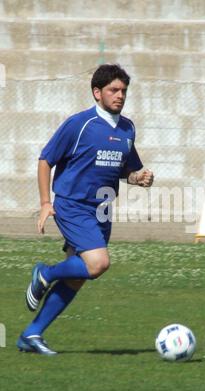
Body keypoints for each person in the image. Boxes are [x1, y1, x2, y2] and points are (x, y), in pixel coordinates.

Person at [17, 64, 154, 355]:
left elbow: (126, 168)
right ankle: (45, 273)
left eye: (123, 91)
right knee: (98, 264)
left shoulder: (127, 128)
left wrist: (138, 178)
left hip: (102, 210)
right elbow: (45, 160)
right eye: (113, 90)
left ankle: (31, 334)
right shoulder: (79, 124)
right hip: (72, 205)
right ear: (97, 93)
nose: (119, 96)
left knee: (77, 277)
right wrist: (45, 204)